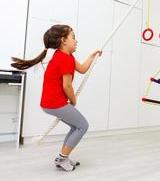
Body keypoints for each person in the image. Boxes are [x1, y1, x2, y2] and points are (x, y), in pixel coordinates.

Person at [11, 24, 102, 172]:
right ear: (63, 41)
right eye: (73, 37)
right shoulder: (64, 59)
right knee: (83, 125)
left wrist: (92, 56)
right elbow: (67, 86)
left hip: (50, 103)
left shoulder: (66, 56)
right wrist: (73, 100)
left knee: (75, 126)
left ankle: (63, 157)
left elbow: (83, 69)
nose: (76, 40)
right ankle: (62, 158)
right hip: (55, 103)